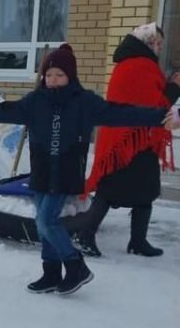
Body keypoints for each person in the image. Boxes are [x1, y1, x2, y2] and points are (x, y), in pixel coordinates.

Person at [0, 44, 172, 296]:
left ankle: (75, 266)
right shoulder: (35, 101)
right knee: (43, 224)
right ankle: (51, 274)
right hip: (42, 170)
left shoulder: (84, 102)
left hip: (67, 172)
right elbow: (1, 110)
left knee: (47, 221)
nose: (53, 80)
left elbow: (121, 113)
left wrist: (161, 116)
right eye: (49, 75)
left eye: (59, 75)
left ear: (70, 76)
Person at [75, 23, 178, 258]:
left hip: (137, 140)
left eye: (161, 44)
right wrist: (174, 88)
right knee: (110, 191)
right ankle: (85, 235)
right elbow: (157, 107)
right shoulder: (139, 66)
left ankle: (138, 241)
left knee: (145, 191)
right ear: (147, 42)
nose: (160, 48)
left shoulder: (134, 63)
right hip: (128, 142)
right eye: (157, 43)